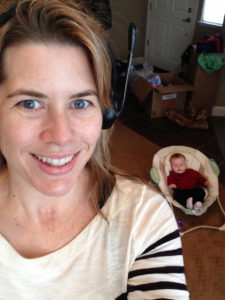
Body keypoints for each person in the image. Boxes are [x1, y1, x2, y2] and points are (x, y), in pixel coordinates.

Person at [0, 1, 189, 299]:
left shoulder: (143, 219)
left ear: (107, 112)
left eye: (80, 103)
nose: (61, 136)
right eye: (30, 103)